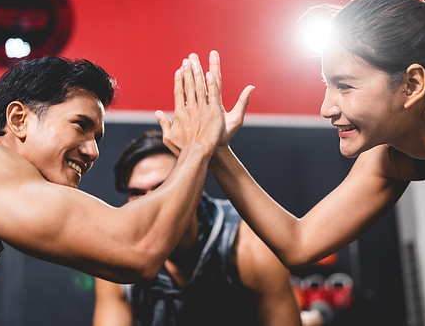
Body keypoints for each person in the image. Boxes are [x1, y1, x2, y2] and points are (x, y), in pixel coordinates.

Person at [158, 0, 425, 274]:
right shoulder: (394, 157)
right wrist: (217, 149)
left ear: (412, 85)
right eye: (327, 84)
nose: (326, 108)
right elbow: (299, 243)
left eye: (345, 86)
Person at [0, 55, 224, 325]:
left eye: (96, 138)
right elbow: (138, 248)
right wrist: (198, 145)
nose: (93, 151)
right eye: (80, 126)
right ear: (19, 119)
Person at [92, 130, 307, 326]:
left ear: (194, 187)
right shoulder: (117, 259)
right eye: (137, 193)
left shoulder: (249, 247)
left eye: (163, 187)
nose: (150, 204)